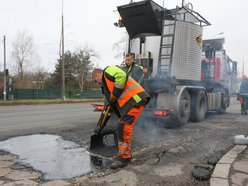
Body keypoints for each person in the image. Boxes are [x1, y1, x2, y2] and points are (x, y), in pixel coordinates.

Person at [92, 66, 150, 169]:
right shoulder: (108, 84)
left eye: (95, 80)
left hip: (135, 99)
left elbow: (122, 76)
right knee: (121, 125)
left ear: (97, 74)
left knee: (123, 126)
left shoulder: (108, 71)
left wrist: (114, 95)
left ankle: (125, 157)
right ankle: (122, 154)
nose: (97, 83)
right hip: (132, 102)